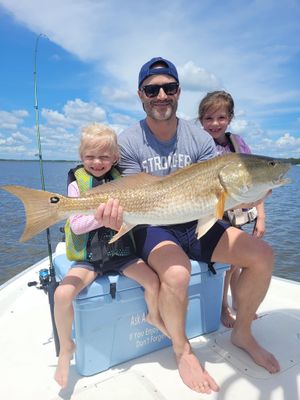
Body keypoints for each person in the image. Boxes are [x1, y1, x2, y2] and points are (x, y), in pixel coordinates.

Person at [94, 58, 280, 395]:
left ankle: (242, 332)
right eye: (153, 89)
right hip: (154, 223)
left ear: (179, 92)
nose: (161, 95)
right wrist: (112, 213)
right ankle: (182, 350)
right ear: (141, 95)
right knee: (177, 274)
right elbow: (136, 193)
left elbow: (216, 188)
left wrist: (246, 196)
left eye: (170, 88)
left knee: (262, 255)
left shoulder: (198, 136)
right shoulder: (130, 139)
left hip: (199, 219)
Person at [54, 123, 167, 388]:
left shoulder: (123, 180)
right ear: (81, 156)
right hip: (89, 258)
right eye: (90, 156)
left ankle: (153, 315)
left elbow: (132, 221)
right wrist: (101, 216)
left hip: (121, 254)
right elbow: (76, 224)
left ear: (115, 157)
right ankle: (66, 347)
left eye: (104, 157)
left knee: (153, 281)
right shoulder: (76, 182)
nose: (97, 162)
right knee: (61, 294)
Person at [198, 90, 266, 328]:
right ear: (201, 121)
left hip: (241, 212)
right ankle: (223, 308)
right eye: (208, 118)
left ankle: (239, 301)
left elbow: (255, 183)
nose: (215, 123)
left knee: (238, 263)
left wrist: (261, 218)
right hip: (217, 214)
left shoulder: (238, 143)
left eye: (221, 117)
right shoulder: (198, 146)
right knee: (226, 266)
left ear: (230, 118)